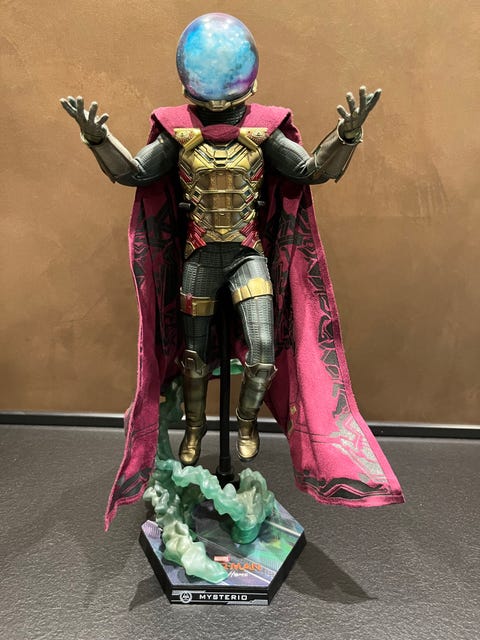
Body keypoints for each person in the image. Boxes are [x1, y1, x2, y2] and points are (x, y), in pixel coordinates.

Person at [61, 13, 403, 529]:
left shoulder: (264, 130)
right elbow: (134, 173)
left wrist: (347, 134)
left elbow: (311, 170)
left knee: (263, 350)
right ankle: (195, 430)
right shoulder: (177, 131)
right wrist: (97, 140)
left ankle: (246, 423)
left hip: (247, 255)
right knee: (194, 357)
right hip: (199, 258)